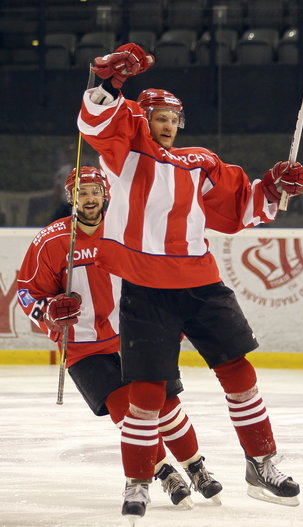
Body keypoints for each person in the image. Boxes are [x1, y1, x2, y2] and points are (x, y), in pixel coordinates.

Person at [77, 43, 303, 520]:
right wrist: (109, 84)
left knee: (240, 373)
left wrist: (274, 187)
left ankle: (261, 463)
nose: (166, 125)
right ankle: (138, 482)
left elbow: (242, 206)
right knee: (146, 395)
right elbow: (96, 122)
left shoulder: (200, 161)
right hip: (145, 287)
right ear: (142, 119)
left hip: (201, 283)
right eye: (157, 116)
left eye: (172, 119)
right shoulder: (125, 152)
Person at [16, 166, 222, 512]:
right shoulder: (51, 241)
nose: (90, 198)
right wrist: (50, 310)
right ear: (72, 198)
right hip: (83, 348)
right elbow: (26, 294)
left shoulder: (126, 230)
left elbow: (164, 269)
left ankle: (196, 467)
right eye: (82, 192)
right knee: (128, 415)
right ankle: (164, 472)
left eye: (95, 191)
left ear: (105, 194)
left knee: (167, 408)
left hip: (135, 332)